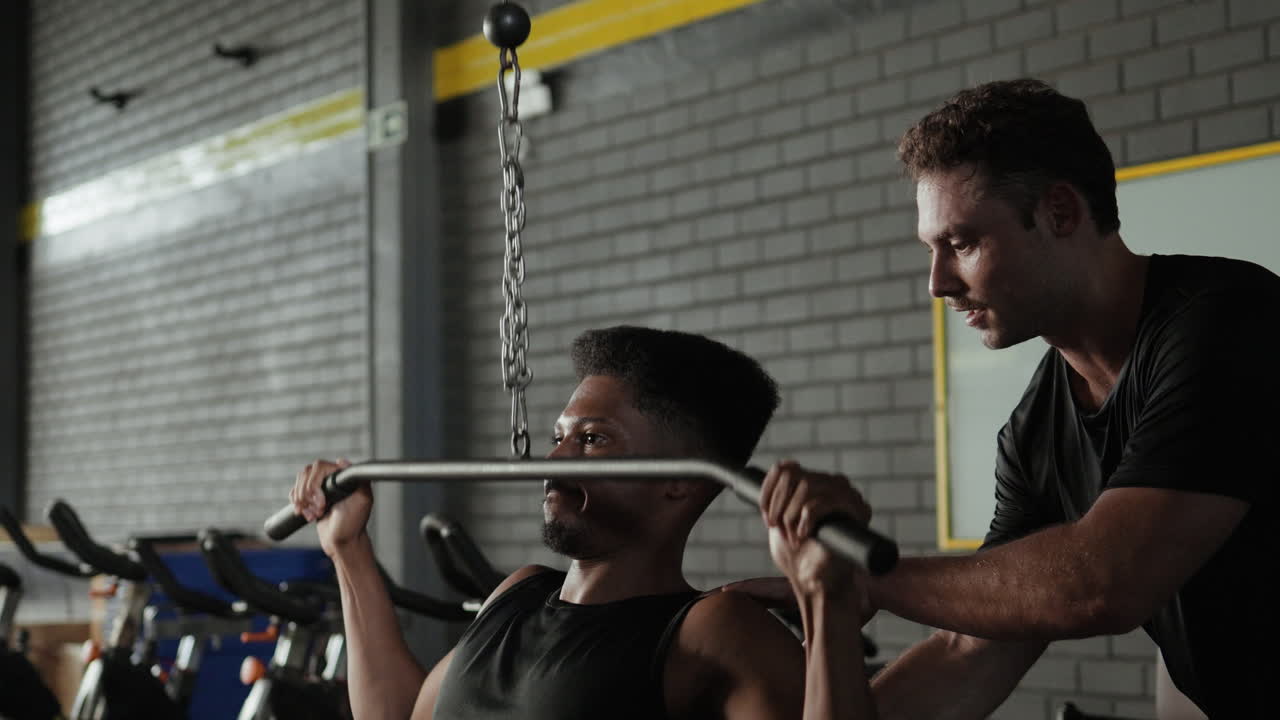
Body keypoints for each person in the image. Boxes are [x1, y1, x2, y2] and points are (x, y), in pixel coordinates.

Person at [734, 77, 1278, 718]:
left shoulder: (1230, 323)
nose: (937, 283)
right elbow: (974, 645)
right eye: (930, 250)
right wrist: (824, 599)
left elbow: (1106, 580)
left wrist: (870, 575)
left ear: (1060, 213)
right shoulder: (1033, 432)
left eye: (961, 243)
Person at [290, 325, 876, 719]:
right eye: (558, 438)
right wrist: (347, 549)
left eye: (592, 440)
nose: (555, 461)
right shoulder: (518, 593)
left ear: (682, 478)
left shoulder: (713, 629)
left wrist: (828, 598)